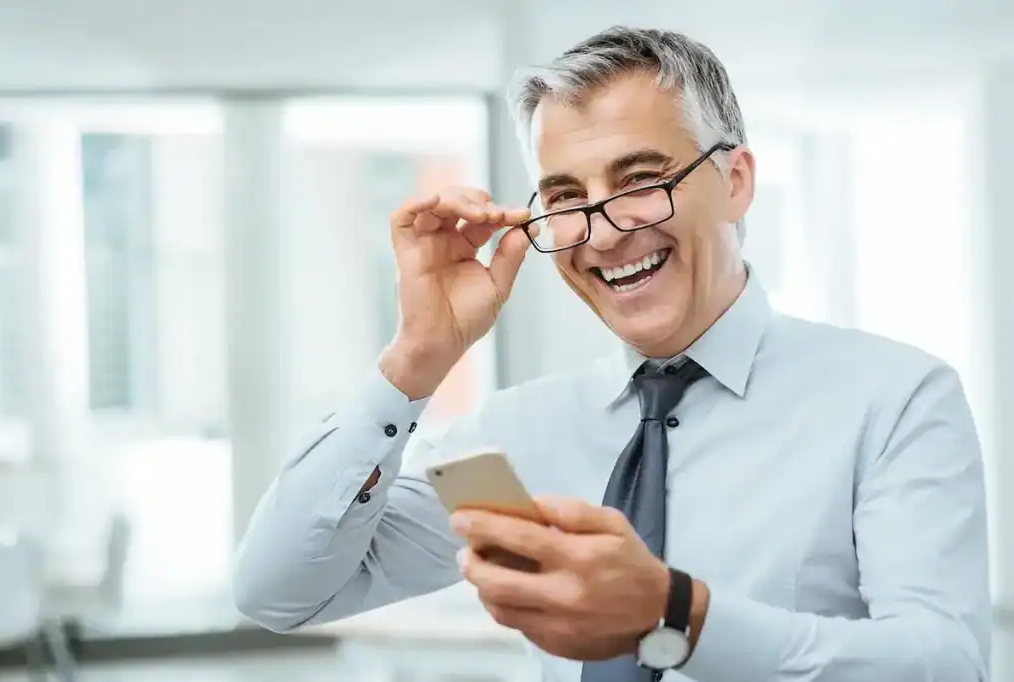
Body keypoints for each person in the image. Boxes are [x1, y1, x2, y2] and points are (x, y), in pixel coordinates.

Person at [232, 26, 991, 682]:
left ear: (734, 182)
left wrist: (678, 614)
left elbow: (946, 664)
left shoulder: (892, 399)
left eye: (642, 180)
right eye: (566, 197)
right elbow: (278, 592)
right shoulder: (511, 436)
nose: (603, 232)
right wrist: (413, 362)